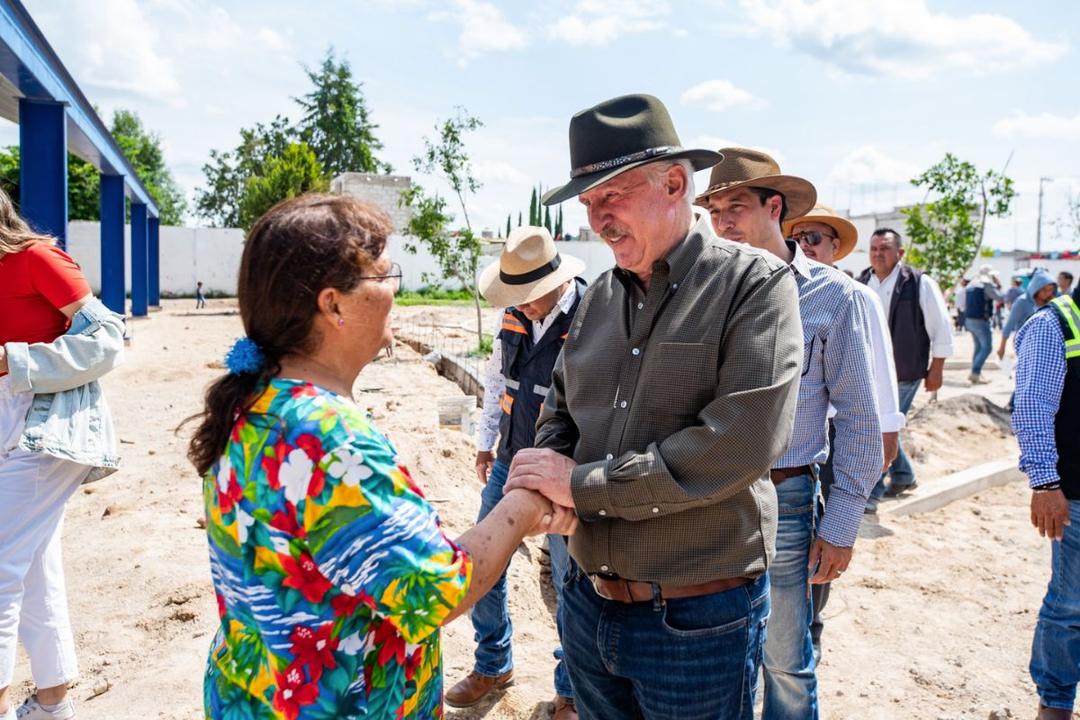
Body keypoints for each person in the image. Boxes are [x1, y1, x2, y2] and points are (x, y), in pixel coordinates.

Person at [186, 194, 576, 720]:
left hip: (262, 693)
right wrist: (524, 505)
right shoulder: (328, 440)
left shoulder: (259, 403)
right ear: (334, 304)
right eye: (385, 277)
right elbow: (435, 591)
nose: (395, 293)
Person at [504, 94, 802, 720]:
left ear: (674, 182)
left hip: (697, 620)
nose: (599, 219)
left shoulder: (753, 284)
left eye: (612, 196)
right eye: (588, 204)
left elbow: (740, 443)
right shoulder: (595, 300)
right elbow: (561, 411)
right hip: (587, 606)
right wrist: (551, 479)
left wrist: (583, 487)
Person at [700, 158, 882, 720]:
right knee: (713, 650)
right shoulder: (702, 291)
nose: (724, 223)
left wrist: (844, 518)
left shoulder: (834, 298)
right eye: (714, 212)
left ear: (774, 208)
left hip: (786, 494)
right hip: (706, 495)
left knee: (784, 657)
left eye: (737, 208)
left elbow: (858, 415)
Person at [448, 226, 586, 719]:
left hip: (564, 470)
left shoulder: (591, 316)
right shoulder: (513, 318)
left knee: (572, 580)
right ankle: (493, 663)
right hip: (510, 460)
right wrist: (487, 443)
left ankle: (571, 689)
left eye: (528, 296)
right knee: (486, 565)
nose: (522, 305)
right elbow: (495, 381)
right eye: (516, 297)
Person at [0, 187, 125, 720]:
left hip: (46, 425)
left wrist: (13, 361)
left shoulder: (37, 259)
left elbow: (107, 336)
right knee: (29, 564)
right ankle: (52, 705)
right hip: (7, 419)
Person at [782, 204, 904, 661]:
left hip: (841, 439)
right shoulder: (778, 292)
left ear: (835, 247)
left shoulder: (853, 296)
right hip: (803, 435)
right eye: (800, 236)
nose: (807, 245)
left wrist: (886, 434)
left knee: (822, 538)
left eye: (816, 238)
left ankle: (809, 627)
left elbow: (878, 379)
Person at [1011, 290, 1080, 720]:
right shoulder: (1055, 323)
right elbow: (1033, 409)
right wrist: (1045, 483)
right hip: (1074, 495)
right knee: (1070, 603)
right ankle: (1054, 705)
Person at [859, 228, 954, 504]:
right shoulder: (864, 281)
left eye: (885, 248)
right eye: (874, 248)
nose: (878, 254)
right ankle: (902, 474)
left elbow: (941, 327)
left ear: (900, 252)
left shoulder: (918, 282)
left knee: (879, 426)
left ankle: (872, 492)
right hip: (872, 372)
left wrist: (937, 368)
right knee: (883, 425)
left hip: (905, 371)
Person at [999, 270, 1057, 363]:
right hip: (1025, 343)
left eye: (1050, 290)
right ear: (1036, 288)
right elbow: (1010, 324)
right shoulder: (1022, 302)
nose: (1048, 293)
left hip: (1046, 344)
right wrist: (1002, 347)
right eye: (1044, 290)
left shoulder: (1053, 302)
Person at [965, 265, 1003, 384]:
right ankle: (975, 372)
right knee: (987, 348)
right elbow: (999, 297)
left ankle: (976, 373)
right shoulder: (986, 285)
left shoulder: (971, 284)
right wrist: (998, 284)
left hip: (969, 320)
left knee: (978, 347)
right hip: (981, 320)